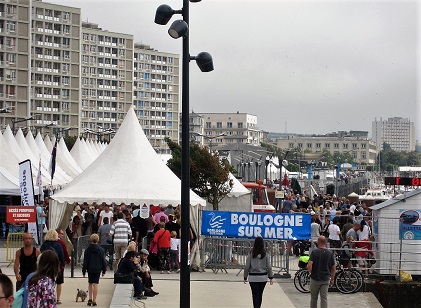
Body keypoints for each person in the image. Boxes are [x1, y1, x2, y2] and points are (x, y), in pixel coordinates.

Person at [243, 236, 274, 308]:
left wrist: (245, 276)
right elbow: (269, 267)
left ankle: (256, 307)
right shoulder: (265, 254)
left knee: (255, 294)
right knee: (260, 294)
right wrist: (271, 277)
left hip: (253, 277)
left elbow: (247, 266)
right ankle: (258, 306)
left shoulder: (251, 254)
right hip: (263, 277)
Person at [307, 236, 336, 308]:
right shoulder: (330, 253)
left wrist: (311, 272)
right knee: (324, 298)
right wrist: (332, 279)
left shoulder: (314, 252)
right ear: (325, 243)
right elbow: (333, 268)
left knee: (313, 298)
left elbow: (309, 266)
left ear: (318, 242)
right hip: (325, 279)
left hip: (315, 278)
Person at [82, 234, 107, 307]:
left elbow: (85, 261)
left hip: (90, 268)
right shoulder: (101, 250)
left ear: (91, 240)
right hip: (97, 268)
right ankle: (94, 300)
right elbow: (103, 261)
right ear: (98, 240)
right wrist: (104, 270)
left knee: (90, 283)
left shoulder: (88, 250)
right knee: (96, 284)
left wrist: (84, 270)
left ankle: (89, 299)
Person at [55, 228, 70, 305]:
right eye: (61, 233)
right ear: (57, 234)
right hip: (59, 265)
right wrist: (68, 261)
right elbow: (65, 253)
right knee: (59, 282)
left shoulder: (47, 243)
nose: (62, 235)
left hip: (49, 265)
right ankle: (58, 299)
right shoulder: (61, 243)